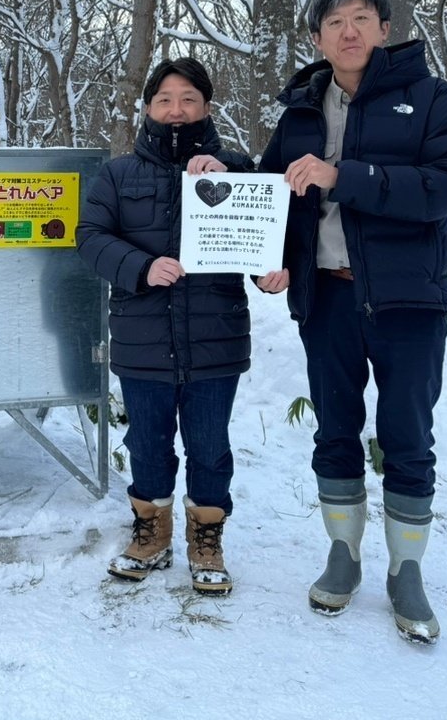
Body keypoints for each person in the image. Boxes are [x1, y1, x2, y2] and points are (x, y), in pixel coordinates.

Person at [256, 0, 447, 643]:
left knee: (408, 435)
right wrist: (269, 257)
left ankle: (406, 569)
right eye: (334, 22)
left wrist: (343, 176)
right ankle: (344, 555)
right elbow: (270, 196)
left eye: (361, 19)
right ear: (317, 37)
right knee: (334, 429)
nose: (347, 31)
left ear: (385, 28)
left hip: (407, 301)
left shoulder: (433, 100)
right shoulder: (299, 110)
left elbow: (446, 186)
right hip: (325, 297)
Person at [76, 57, 254, 593]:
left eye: (189, 99)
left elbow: (269, 236)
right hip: (142, 337)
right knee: (148, 442)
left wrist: (235, 184)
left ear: (206, 106)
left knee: (209, 444)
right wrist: (141, 267)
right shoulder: (118, 173)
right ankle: (150, 536)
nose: (176, 110)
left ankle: (208, 540)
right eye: (165, 100)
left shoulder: (239, 167)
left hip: (215, 335)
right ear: (148, 108)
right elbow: (90, 236)